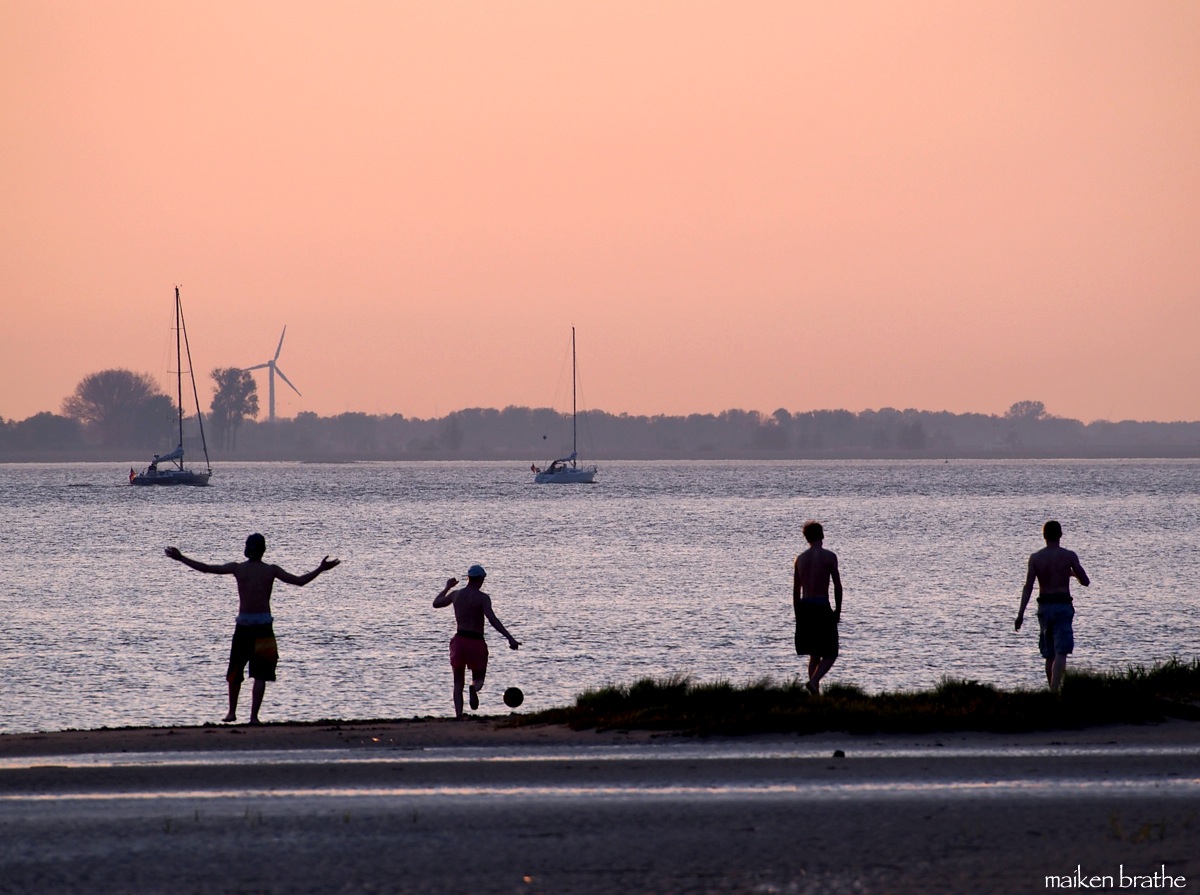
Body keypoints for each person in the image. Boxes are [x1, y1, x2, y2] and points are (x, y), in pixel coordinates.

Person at [164, 534, 340, 724]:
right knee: (260, 674)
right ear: (263, 550)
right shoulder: (270, 570)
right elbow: (299, 581)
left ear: (247, 549)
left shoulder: (238, 568)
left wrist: (181, 558)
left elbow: (207, 569)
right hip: (263, 627)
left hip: (245, 627)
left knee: (236, 672)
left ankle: (232, 713)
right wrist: (320, 569)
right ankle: (253, 717)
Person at [433, 564, 520, 718]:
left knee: (458, 682)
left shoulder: (456, 595)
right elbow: (493, 620)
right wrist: (510, 638)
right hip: (476, 642)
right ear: (480, 579)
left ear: (468, 578)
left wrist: (447, 587)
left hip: (459, 641)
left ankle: (459, 715)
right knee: (478, 678)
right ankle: (474, 688)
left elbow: (436, 603)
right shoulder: (482, 598)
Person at [1015, 520, 1090, 692]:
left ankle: (1052, 691)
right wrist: (1072, 574)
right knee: (1061, 651)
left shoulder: (1035, 558)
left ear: (1044, 536)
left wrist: (1020, 615)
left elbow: (1028, 587)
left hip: (1044, 608)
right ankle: (1055, 692)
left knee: (1049, 654)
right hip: (1062, 606)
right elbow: (1085, 581)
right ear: (1061, 535)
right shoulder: (1069, 556)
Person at [793, 520, 843, 695]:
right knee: (831, 652)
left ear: (806, 538)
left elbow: (796, 591)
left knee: (814, 653)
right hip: (822, 606)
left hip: (805, 607)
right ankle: (814, 681)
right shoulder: (829, 557)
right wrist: (838, 610)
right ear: (822, 535)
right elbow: (837, 586)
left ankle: (814, 693)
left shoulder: (800, 559)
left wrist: (797, 614)